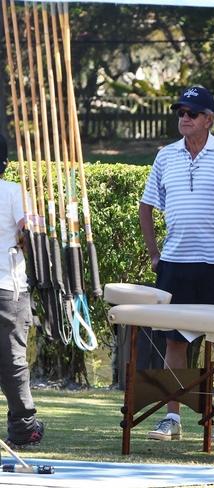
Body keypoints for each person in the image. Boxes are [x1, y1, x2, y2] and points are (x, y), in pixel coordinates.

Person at [139, 86, 214, 444]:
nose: (184, 118)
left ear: (209, 119)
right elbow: (147, 206)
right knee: (176, 343)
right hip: (174, 265)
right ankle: (172, 417)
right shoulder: (165, 156)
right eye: (181, 112)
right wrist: (155, 254)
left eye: (192, 112)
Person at [0, 133, 45, 449]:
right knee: (12, 360)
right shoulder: (13, 191)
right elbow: (32, 229)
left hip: (7, 286)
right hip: (8, 288)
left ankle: (24, 426)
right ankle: (24, 427)